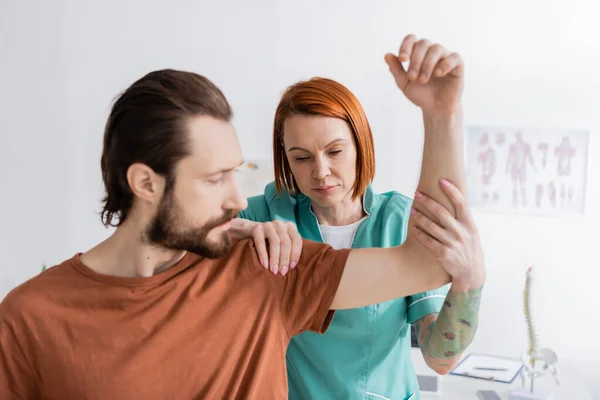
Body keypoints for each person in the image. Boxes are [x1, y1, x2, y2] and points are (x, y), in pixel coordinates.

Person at [0, 35, 479, 399]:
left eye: (237, 174)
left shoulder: (267, 267)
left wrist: (442, 117)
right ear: (146, 184)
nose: (237, 200)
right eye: (215, 179)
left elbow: (428, 261)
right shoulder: (32, 318)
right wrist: (246, 228)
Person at [234, 35, 485, 400]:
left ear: (360, 143)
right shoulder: (263, 214)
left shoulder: (397, 221)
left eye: (335, 151)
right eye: (301, 158)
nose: (321, 172)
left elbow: (440, 358)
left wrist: (442, 114)